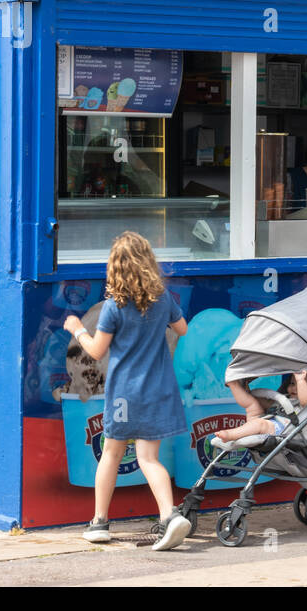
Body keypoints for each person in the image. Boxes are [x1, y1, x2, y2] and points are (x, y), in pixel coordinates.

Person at [64, 231, 191, 551]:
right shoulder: (163, 299)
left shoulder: (113, 307)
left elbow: (94, 351)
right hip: (159, 389)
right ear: (148, 263)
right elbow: (183, 329)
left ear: (115, 269)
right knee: (149, 457)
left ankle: (99, 522)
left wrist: (78, 329)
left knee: (111, 453)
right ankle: (169, 516)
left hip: (124, 394)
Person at [210, 370, 307, 446]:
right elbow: (268, 404)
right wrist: (248, 394)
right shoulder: (286, 398)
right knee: (253, 404)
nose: (294, 388)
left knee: (260, 424)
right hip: (272, 421)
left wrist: (301, 380)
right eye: (292, 383)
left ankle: (230, 436)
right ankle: (233, 385)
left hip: (285, 431)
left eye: (301, 385)